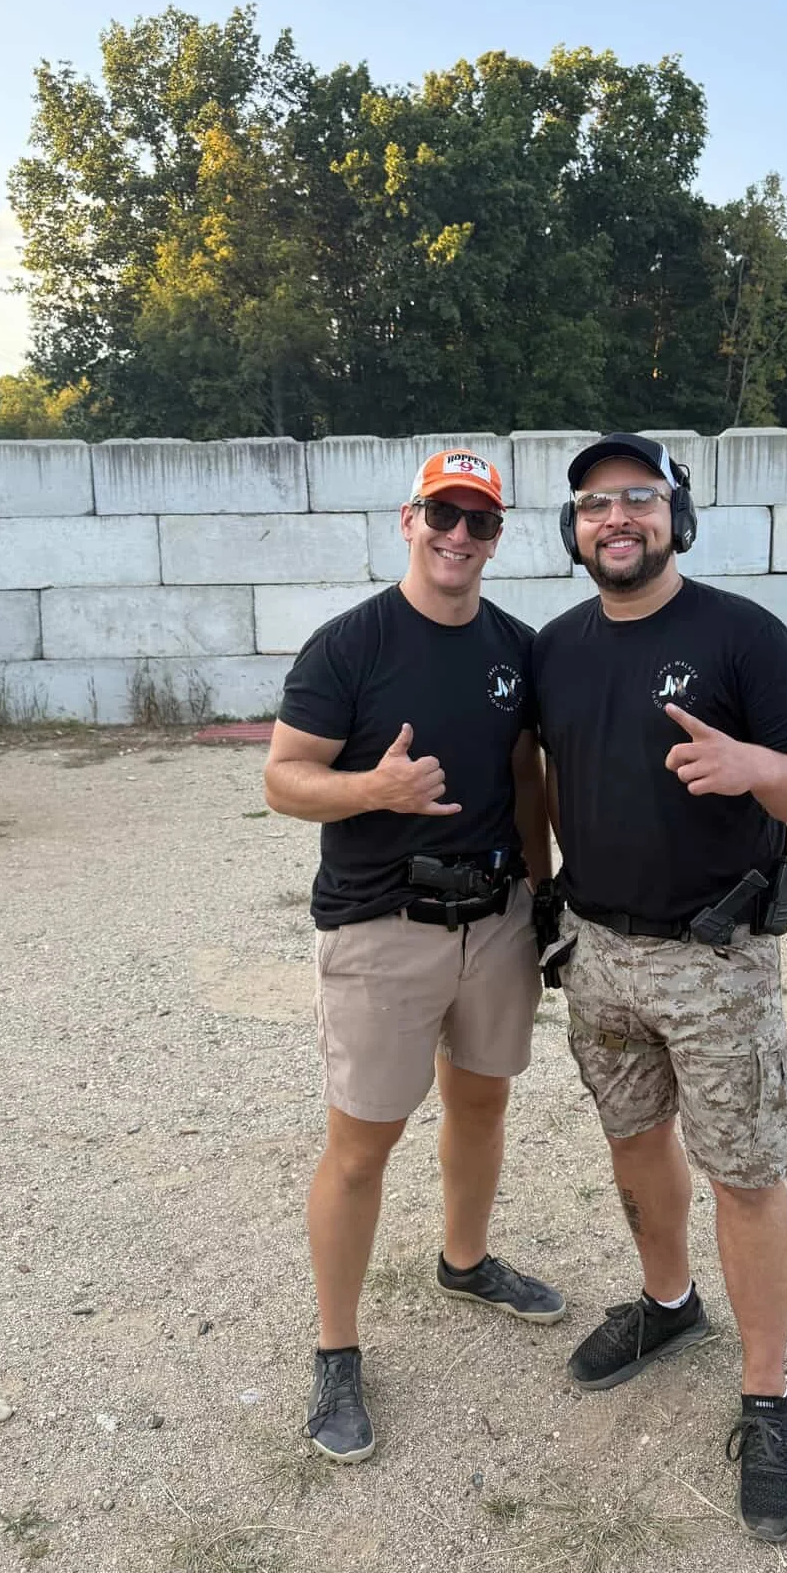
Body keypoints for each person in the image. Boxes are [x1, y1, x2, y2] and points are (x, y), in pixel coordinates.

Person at [532, 433, 787, 1544]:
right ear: (573, 530)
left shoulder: (742, 633)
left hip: (717, 960)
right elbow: (542, 778)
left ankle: (768, 1393)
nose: (617, 518)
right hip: (596, 955)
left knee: (747, 1174)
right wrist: (539, 900)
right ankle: (670, 1304)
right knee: (633, 1138)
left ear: (677, 513)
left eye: (639, 499)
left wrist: (755, 767)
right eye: (594, 504)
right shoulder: (556, 649)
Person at [264, 446, 564, 1466]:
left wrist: (544, 883)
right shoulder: (348, 645)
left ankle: (466, 1260)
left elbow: (526, 774)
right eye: (444, 513)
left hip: (496, 921)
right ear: (408, 518)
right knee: (362, 1144)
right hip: (380, 923)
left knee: (482, 1103)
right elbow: (284, 777)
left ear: (497, 535)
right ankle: (337, 1346)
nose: (459, 536)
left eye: (480, 520)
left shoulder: (516, 646)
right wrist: (371, 792)